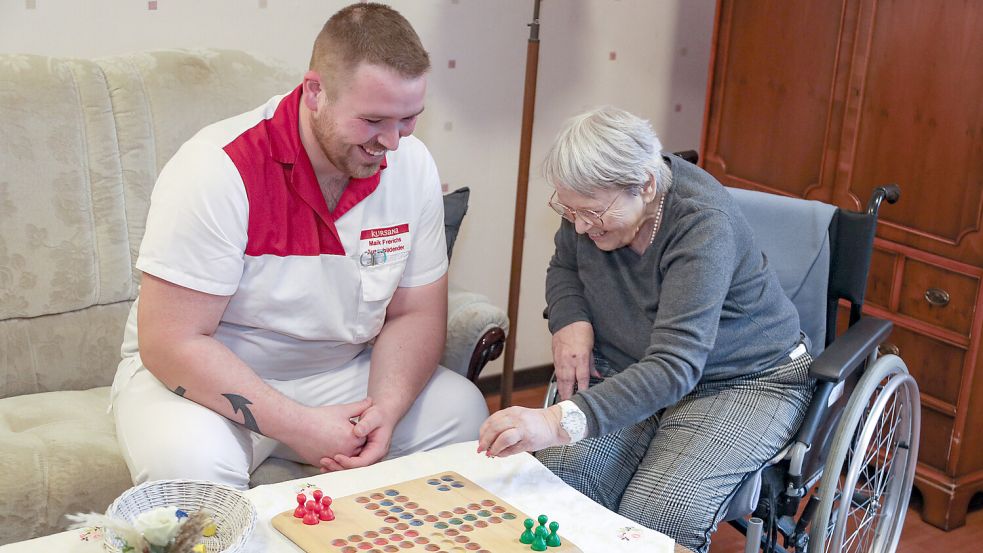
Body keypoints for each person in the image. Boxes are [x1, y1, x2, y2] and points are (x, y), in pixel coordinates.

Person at [111, 2, 487, 490]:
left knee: (461, 412)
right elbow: (171, 341)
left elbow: (415, 314)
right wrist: (301, 426)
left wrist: (384, 412)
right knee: (189, 467)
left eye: (409, 119)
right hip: (210, 379)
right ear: (315, 92)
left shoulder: (411, 165)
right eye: (373, 121)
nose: (392, 143)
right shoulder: (217, 169)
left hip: (338, 371)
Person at [477, 107, 815, 552]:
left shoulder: (702, 224)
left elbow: (675, 367)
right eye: (569, 211)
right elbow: (564, 266)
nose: (579, 226)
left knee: (658, 516)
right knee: (560, 487)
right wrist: (570, 319)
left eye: (591, 214)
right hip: (634, 362)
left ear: (648, 185)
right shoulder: (592, 196)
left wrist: (555, 421)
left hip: (742, 380)